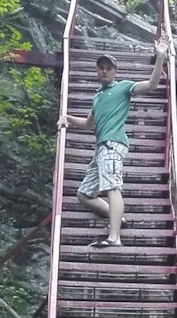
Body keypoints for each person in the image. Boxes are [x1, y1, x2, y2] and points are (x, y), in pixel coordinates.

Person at [59, 44, 167, 246]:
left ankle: (114, 237)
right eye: (101, 67)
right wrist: (67, 118)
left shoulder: (123, 87)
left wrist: (160, 57)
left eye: (108, 68)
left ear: (115, 71)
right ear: (97, 71)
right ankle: (118, 217)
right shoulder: (98, 97)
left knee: (112, 187)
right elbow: (88, 124)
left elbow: (152, 85)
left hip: (112, 145)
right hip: (100, 148)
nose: (104, 71)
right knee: (84, 194)